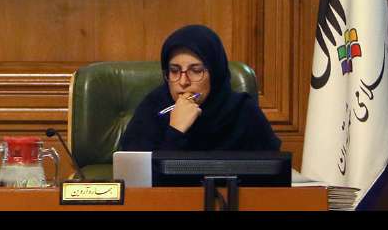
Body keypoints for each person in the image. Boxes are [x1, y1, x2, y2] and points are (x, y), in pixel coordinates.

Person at [117, 23, 281, 152]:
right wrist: (175, 131)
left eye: (195, 71)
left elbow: (273, 172)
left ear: (215, 73)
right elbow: (139, 177)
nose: (183, 82)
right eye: (174, 71)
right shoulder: (154, 109)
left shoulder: (243, 110)